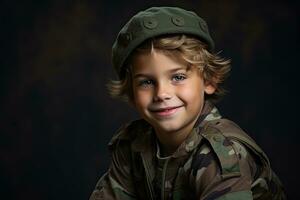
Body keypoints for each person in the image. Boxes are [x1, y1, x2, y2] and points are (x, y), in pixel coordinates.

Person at [90, 7, 286, 200]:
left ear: (209, 80)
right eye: (147, 82)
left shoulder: (222, 154)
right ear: (131, 92)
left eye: (178, 77)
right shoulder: (133, 145)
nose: (162, 93)